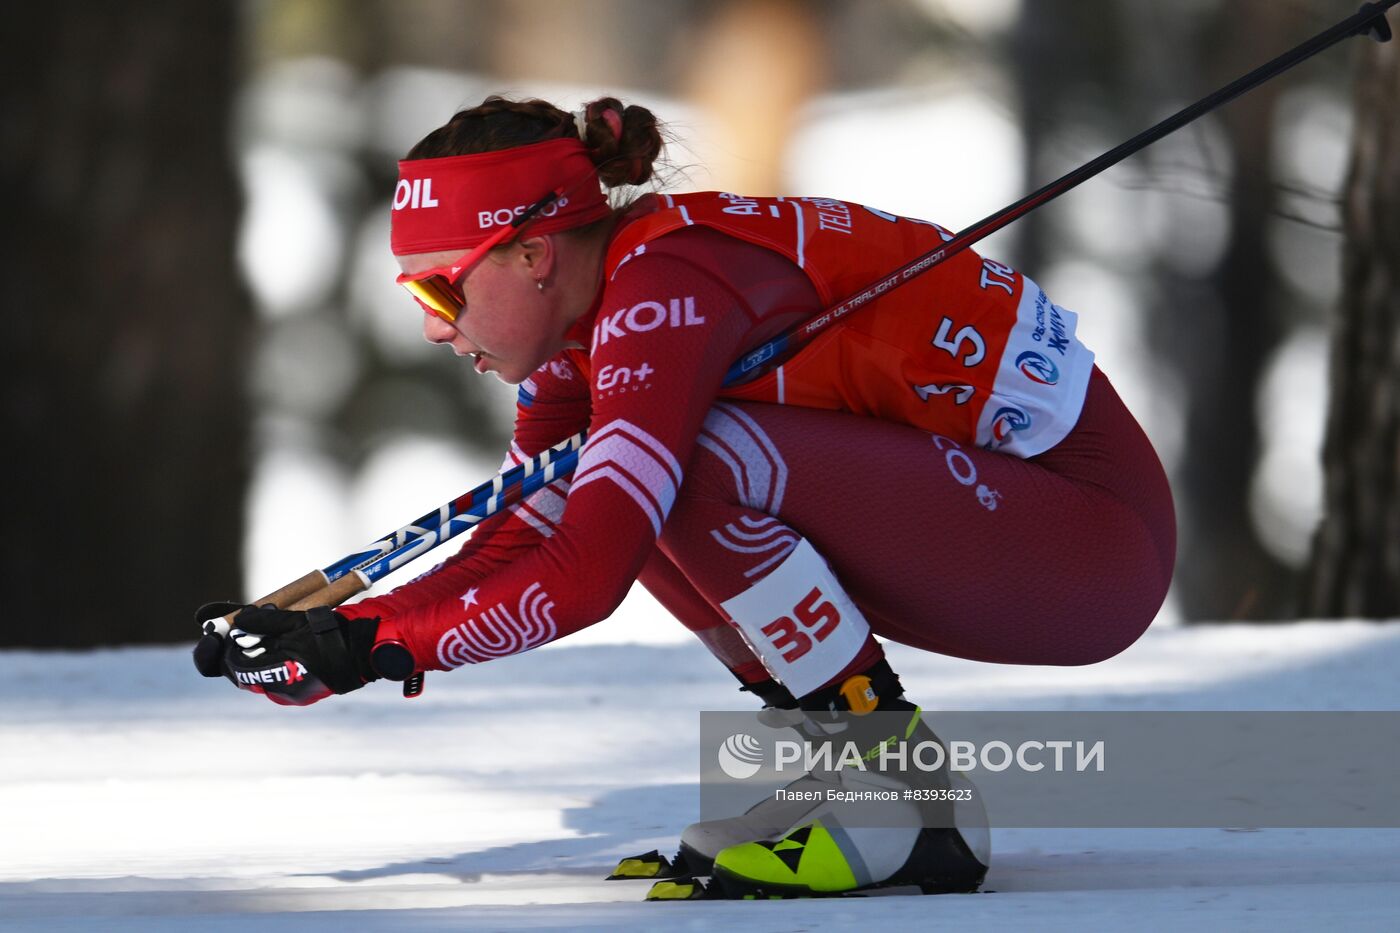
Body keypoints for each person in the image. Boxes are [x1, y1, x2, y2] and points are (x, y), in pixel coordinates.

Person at [196, 95, 1175, 899]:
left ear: (531, 253)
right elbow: (520, 534)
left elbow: (587, 573)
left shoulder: (665, 287)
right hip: (1024, 528)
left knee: (675, 463)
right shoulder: (594, 318)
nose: (434, 332)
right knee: (617, 467)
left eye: (441, 293)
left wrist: (382, 648)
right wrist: (344, 632)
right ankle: (872, 777)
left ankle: (895, 799)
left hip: (1088, 544)